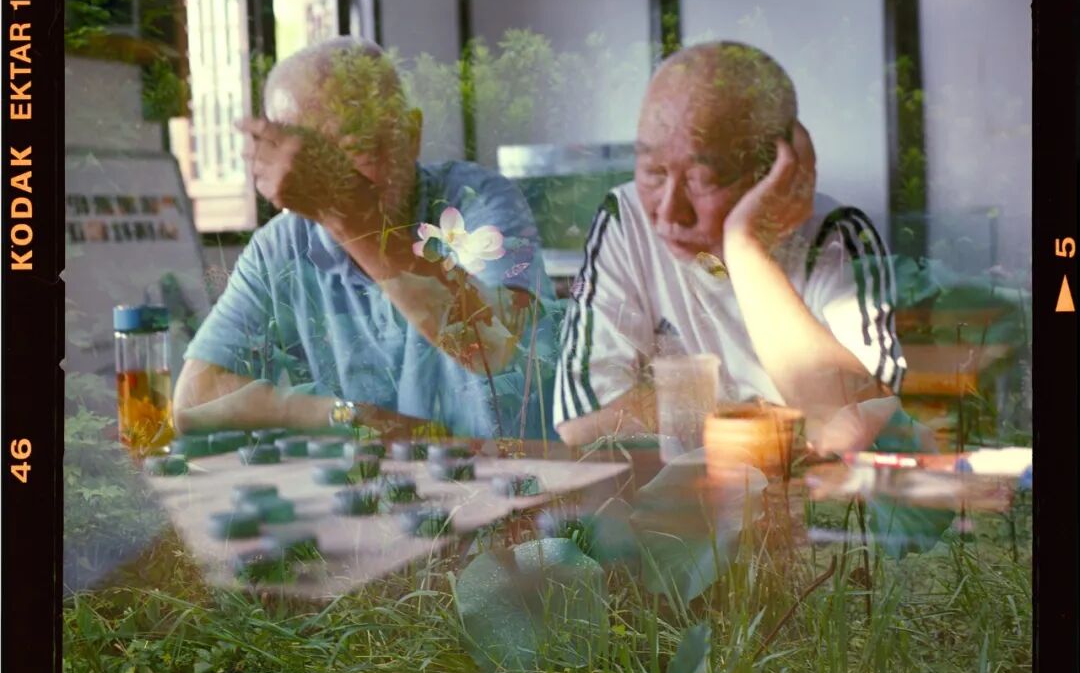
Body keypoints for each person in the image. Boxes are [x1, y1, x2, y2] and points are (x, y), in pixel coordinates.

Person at [173, 37, 556, 440]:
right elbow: (195, 401)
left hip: (516, 472)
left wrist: (346, 215)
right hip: (388, 478)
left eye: (355, 146)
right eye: (309, 158)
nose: (329, 176)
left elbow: (493, 347)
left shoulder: (475, 201)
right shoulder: (283, 245)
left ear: (412, 135)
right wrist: (353, 417)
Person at [554, 41, 908, 451]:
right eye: (652, 172)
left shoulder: (837, 236)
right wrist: (758, 420)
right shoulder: (626, 220)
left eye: (701, 180)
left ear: (773, 171)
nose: (669, 213)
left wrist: (745, 248)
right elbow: (582, 421)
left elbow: (860, 428)